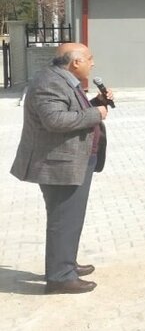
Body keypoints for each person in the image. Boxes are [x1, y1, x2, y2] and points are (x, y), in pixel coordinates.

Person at [10, 43, 113, 294]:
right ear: (76, 62)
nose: (93, 63)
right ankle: (59, 277)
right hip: (59, 164)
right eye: (90, 58)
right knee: (63, 219)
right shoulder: (49, 82)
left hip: (74, 160)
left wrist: (95, 101)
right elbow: (55, 120)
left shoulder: (61, 78)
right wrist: (96, 114)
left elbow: (68, 109)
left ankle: (65, 263)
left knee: (70, 218)